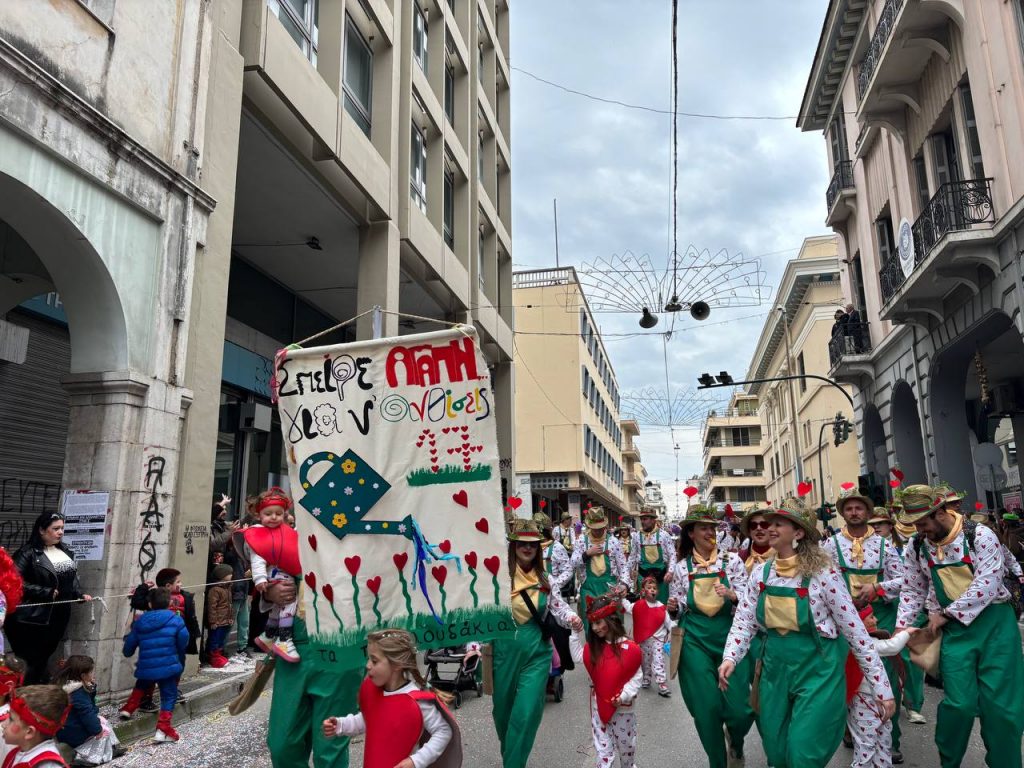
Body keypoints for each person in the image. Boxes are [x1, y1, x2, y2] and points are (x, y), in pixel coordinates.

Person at [719, 497, 895, 768]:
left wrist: (883, 689)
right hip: (774, 669)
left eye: (779, 523)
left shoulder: (824, 574)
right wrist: (730, 657)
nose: (770, 528)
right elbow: (744, 620)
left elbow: (856, 634)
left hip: (817, 670)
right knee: (776, 754)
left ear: (798, 533)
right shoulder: (760, 574)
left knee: (803, 755)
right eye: (770, 522)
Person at [896, 484, 1024, 768]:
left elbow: (988, 582)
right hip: (955, 635)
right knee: (959, 705)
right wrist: (901, 628)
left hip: (995, 627)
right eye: (914, 524)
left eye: (923, 522)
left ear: (941, 511)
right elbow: (912, 589)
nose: (919, 529)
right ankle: (949, 762)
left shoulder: (980, 535)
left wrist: (947, 614)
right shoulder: (917, 545)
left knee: (1002, 710)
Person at [822, 487, 906, 763]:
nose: (854, 512)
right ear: (842, 514)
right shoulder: (830, 546)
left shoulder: (885, 545)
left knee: (886, 675)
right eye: (848, 508)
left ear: (868, 513)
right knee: (846, 674)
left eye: (859, 508)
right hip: (843, 619)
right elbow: (821, 581)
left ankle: (890, 740)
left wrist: (878, 588)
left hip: (879, 615)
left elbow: (906, 581)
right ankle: (852, 725)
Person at [669, 504, 753, 768]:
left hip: (731, 638)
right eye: (704, 528)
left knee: (741, 710)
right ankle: (718, 762)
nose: (710, 532)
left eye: (713, 528)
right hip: (694, 640)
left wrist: (732, 595)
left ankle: (736, 741)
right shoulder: (682, 568)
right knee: (706, 710)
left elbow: (748, 603)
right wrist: (675, 607)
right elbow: (682, 604)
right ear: (691, 533)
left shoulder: (733, 561)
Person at [492, 519, 575, 768]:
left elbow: (559, 608)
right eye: (522, 544)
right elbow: (482, 615)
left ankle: (514, 764)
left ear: (539, 548)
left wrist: (573, 618)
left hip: (537, 652)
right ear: (514, 545)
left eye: (533, 545)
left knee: (526, 713)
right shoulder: (498, 576)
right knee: (503, 713)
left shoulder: (545, 578)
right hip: (503, 652)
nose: (528, 548)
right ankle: (512, 757)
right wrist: (474, 648)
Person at [321, 629, 460, 768]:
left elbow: (443, 731)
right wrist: (340, 725)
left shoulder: (415, 701)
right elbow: (368, 719)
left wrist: (416, 761)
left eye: (374, 661)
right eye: (368, 659)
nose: (368, 665)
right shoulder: (374, 692)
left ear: (396, 665)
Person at [263, 580, 363, 768]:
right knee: (281, 745)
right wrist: (270, 591)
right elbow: (268, 566)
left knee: (330, 750)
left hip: (342, 646)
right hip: (292, 649)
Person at [7, 513, 92, 684]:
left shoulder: (65, 551)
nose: (60, 532)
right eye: (55, 529)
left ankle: (34, 696)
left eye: (62, 528)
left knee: (43, 658)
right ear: (41, 530)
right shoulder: (27, 553)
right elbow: (12, 580)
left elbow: (70, 579)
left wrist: (78, 594)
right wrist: (44, 591)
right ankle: (25, 697)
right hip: (31, 618)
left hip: (57, 616)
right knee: (32, 661)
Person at [568, 595, 642, 768]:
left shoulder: (630, 648)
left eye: (599, 622)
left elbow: (636, 677)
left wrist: (623, 696)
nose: (595, 628)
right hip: (598, 708)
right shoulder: (594, 648)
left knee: (627, 751)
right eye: (592, 624)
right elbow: (578, 656)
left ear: (611, 619)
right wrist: (574, 632)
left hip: (624, 711)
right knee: (604, 754)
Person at [870, 506, 927, 727]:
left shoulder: (909, 545)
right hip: (879, 608)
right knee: (882, 657)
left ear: (890, 526)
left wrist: (878, 587)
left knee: (911, 658)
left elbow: (911, 582)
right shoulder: (863, 548)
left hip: (909, 607)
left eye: (879, 524)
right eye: (871, 524)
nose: (875, 527)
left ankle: (913, 705)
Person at [845, 606, 916, 768]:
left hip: (876, 699)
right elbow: (891, 647)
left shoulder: (868, 640)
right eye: (870, 617)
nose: (876, 620)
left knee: (883, 739)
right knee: (866, 743)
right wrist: (907, 632)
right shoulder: (861, 643)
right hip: (864, 700)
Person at [118, 587, 189, 743]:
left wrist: (128, 650)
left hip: (147, 665)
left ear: (149, 604)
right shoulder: (176, 620)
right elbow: (183, 641)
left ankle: (128, 708)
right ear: (169, 602)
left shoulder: (140, 622)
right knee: (169, 696)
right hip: (169, 665)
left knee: (141, 684)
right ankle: (162, 728)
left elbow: (129, 648)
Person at [245, 488, 301, 662]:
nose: (274, 517)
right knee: (288, 603)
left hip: (282, 575)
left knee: (278, 609)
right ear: (258, 514)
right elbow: (258, 560)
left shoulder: (285, 532)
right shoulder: (260, 534)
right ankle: (284, 639)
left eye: (279, 513)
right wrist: (260, 579)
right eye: (268, 513)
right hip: (278, 576)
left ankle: (268, 635)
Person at [55, 655, 124, 765]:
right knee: (103, 731)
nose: (93, 674)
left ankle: (112, 748)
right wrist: (97, 730)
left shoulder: (71, 686)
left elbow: (90, 710)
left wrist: (91, 687)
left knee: (102, 721)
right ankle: (88, 758)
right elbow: (87, 713)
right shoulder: (78, 693)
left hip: (68, 727)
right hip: (71, 731)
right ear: (83, 675)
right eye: (91, 672)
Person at [570, 508, 629, 633]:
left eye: (600, 527)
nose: (597, 530)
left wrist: (624, 584)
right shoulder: (581, 541)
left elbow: (623, 567)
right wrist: (586, 554)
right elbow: (572, 563)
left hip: (610, 590)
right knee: (591, 628)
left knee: (613, 627)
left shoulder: (613, 542)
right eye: (594, 528)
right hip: (589, 590)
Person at [621, 576, 673, 697]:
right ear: (643, 591)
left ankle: (662, 683)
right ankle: (646, 677)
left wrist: (673, 632)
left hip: (658, 640)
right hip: (644, 640)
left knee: (658, 661)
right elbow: (628, 607)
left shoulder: (662, 607)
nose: (652, 590)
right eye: (649, 587)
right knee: (645, 661)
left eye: (654, 588)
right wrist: (622, 598)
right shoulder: (638, 605)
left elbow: (670, 623)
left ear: (658, 591)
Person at [1, 685, 70, 768]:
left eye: (11, 719)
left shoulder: (47, 765)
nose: (3, 724)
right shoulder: (18, 752)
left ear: (29, 732)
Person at [629, 509, 676, 603]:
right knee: (645, 605)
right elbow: (632, 556)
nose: (642, 521)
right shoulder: (637, 536)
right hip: (643, 577)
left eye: (645, 519)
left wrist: (670, 572)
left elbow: (672, 555)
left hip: (661, 577)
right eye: (641, 519)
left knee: (661, 605)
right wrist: (630, 570)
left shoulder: (664, 535)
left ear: (653, 520)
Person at [533, 513, 571, 595]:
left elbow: (567, 570)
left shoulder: (557, 547)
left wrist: (554, 585)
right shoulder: (530, 547)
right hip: (532, 592)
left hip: (551, 593)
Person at [205, 564, 234, 668]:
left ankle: (219, 655)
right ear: (223, 575)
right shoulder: (215, 590)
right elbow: (212, 607)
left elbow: (229, 605)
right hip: (217, 622)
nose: (231, 576)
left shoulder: (228, 587)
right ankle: (212, 657)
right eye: (229, 574)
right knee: (214, 640)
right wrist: (213, 621)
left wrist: (230, 618)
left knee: (221, 639)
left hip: (225, 620)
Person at [737, 504, 774, 574]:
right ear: (749, 531)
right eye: (753, 525)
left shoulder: (783, 556)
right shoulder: (740, 557)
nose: (758, 528)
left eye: (764, 524)